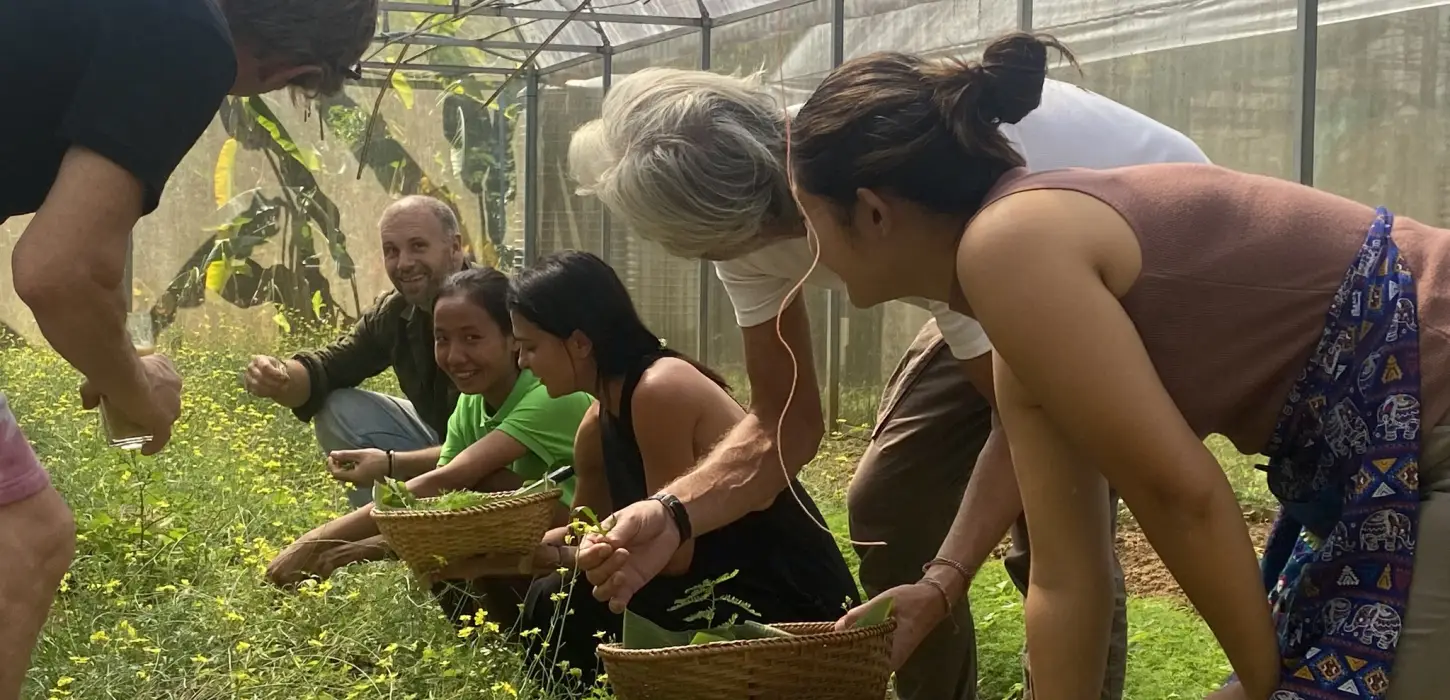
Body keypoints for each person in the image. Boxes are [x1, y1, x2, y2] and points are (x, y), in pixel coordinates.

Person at [783, 32, 1450, 700]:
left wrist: (1263, 684)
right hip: (1391, 467)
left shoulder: (1010, 246)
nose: (809, 253)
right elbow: (1066, 579)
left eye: (810, 218)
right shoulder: (1016, 306)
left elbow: (1181, 497)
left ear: (871, 213)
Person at [564, 62, 1209, 698]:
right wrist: (673, 513)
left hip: (1138, 260)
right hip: (975, 288)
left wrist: (947, 578)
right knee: (891, 499)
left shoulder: (915, 186)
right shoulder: (750, 212)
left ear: (862, 214)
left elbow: (1029, 422)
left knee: (1057, 519)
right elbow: (783, 416)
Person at [0, 0, 376, 697]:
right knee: (25, 540)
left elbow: (89, 260)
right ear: (295, 70)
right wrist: (141, 398)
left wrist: (116, 363)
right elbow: (59, 270)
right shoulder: (187, 33)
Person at [438, 250, 861, 691]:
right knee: (553, 599)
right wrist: (497, 547)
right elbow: (582, 529)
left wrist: (568, 557)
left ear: (580, 343)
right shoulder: (595, 423)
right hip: (697, 583)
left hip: (768, 589)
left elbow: (674, 555)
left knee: (581, 602)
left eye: (529, 347)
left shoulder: (659, 390)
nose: (523, 362)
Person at [265, 266, 593, 628]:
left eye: (472, 338)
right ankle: (495, 640)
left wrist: (314, 542)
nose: (454, 356)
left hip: (589, 548)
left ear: (513, 337)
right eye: (442, 339)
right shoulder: (472, 403)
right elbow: (435, 507)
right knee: (451, 521)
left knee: (485, 492)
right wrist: (350, 552)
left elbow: (448, 482)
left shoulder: (549, 392)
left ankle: (535, 635)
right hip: (536, 548)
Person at [243, 195, 474, 508]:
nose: (404, 263)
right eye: (391, 251)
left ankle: (403, 528)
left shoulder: (501, 309)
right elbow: (332, 366)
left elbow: (507, 438)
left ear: (455, 248)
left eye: (418, 246)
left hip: (513, 457)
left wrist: (392, 464)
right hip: (446, 441)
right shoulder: (394, 313)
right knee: (337, 406)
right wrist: (279, 376)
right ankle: (390, 529)